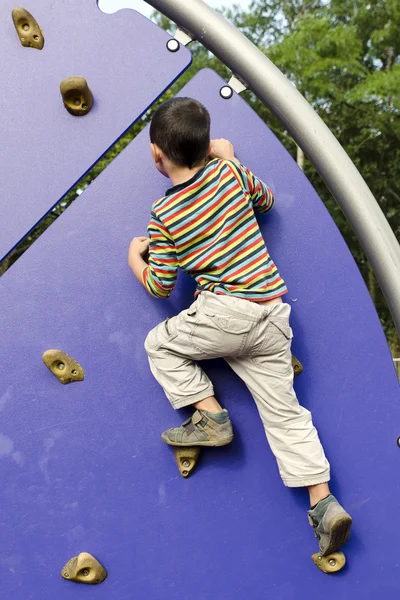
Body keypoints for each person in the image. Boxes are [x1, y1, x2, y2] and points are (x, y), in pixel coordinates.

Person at [128, 97, 352, 557]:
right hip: (272, 314)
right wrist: (228, 158)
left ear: (156, 155)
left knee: (160, 344)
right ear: (207, 145)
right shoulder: (229, 174)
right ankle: (323, 503)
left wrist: (135, 256)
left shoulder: (164, 215)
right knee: (286, 416)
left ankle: (209, 415)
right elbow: (265, 199)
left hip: (224, 314)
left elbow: (160, 285)